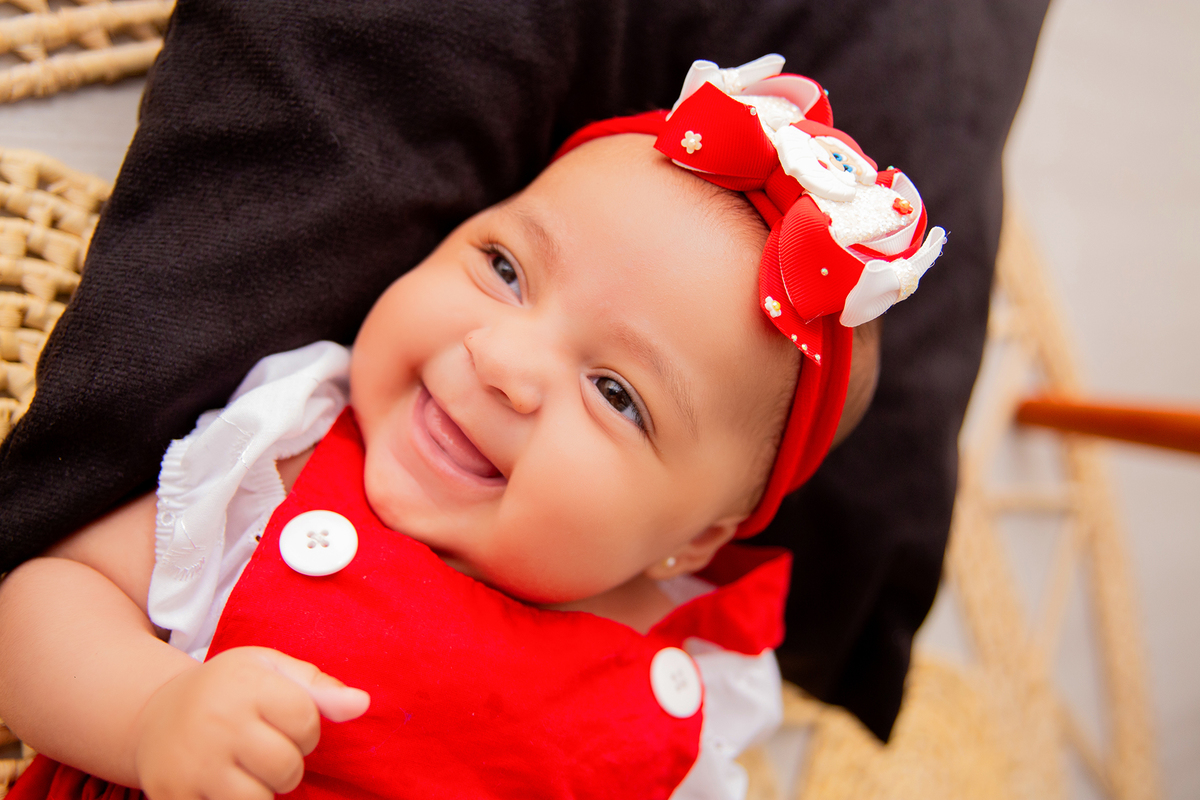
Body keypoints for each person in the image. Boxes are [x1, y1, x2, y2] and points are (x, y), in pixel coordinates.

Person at [0, 59, 943, 799]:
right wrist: (154, 713)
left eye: (617, 394)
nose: (503, 362)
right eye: (504, 267)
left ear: (691, 539)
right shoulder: (285, 461)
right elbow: (40, 601)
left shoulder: (693, 679)